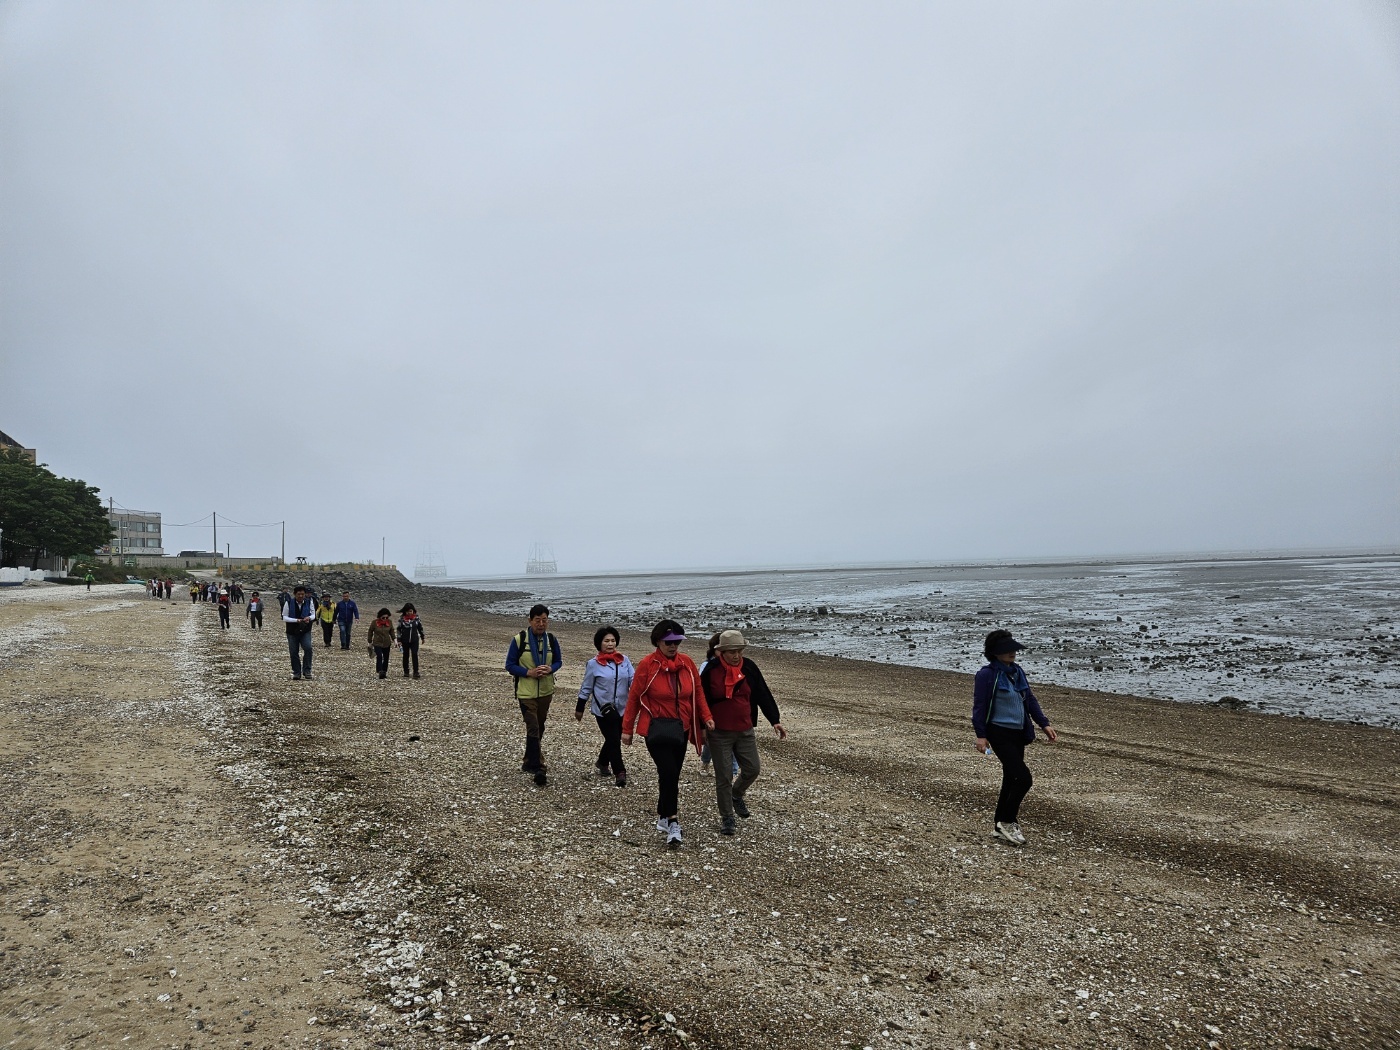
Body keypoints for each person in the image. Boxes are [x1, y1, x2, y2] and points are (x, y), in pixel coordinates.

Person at [621, 619, 714, 849]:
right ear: (658, 642)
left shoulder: (687, 663)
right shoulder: (647, 665)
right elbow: (634, 697)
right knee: (669, 771)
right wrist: (626, 729)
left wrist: (706, 716)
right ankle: (673, 823)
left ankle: (662, 814)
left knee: (670, 774)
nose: (673, 646)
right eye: (668, 642)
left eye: (676, 642)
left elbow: (698, 692)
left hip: (681, 728)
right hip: (656, 729)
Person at [972, 630, 1059, 847]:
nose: (1012, 652)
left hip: (1019, 733)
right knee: (1024, 778)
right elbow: (979, 707)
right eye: (1006, 649)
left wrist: (1044, 724)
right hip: (998, 734)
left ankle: (1000, 826)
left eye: (1013, 648)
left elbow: (1029, 699)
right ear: (994, 652)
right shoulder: (986, 675)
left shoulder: (1017, 671)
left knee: (1011, 778)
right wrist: (981, 736)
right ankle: (1007, 821)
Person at [698, 630, 786, 836]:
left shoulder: (749, 667)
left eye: (739, 650)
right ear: (721, 652)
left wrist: (775, 720)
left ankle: (736, 795)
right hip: (718, 732)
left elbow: (762, 693)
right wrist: (702, 727)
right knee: (724, 776)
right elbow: (700, 700)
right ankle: (727, 817)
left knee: (752, 769)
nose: (736, 655)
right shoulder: (711, 670)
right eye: (731, 651)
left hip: (745, 729)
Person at [505, 604, 562, 786]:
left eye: (544, 620)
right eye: (537, 620)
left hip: (546, 691)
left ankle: (528, 760)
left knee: (540, 726)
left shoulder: (551, 640)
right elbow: (509, 665)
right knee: (533, 727)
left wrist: (550, 668)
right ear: (530, 620)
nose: (541, 624)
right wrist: (528, 672)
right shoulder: (519, 640)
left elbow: (559, 661)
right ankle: (539, 767)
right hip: (526, 692)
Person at [575, 625, 634, 788]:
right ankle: (620, 772)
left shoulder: (625, 660)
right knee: (614, 739)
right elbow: (586, 687)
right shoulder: (593, 664)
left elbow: (633, 679)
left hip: (622, 707)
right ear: (599, 644)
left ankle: (602, 762)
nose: (610, 644)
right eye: (606, 641)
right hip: (603, 711)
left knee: (612, 738)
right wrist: (579, 707)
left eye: (613, 640)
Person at [282, 585, 317, 680]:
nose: (301, 596)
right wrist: (296, 620)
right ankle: (297, 672)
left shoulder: (310, 602)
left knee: (308, 648)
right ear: (294, 594)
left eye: (302, 594)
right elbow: (284, 617)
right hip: (292, 631)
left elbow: (314, 615)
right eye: (299, 594)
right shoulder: (288, 603)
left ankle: (307, 670)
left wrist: (309, 618)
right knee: (293, 652)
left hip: (305, 630)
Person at [397, 603, 425, 678]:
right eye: (407, 611)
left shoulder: (416, 618)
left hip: (414, 640)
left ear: (413, 611)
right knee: (405, 656)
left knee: (414, 654)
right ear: (405, 612)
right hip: (405, 640)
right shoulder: (402, 619)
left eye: (410, 611)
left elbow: (420, 628)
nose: (409, 613)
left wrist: (422, 637)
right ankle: (406, 671)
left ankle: (416, 672)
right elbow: (399, 630)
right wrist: (399, 640)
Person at [367, 607, 396, 679]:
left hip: (387, 643)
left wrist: (395, 640)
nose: (385, 619)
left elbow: (391, 631)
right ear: (380, 616)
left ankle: (384, 671)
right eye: (383, 617)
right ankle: (380, 671)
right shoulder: (374, 622)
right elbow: (370, 631)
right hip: (377, 643)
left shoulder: (389, 622)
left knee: (386, 658)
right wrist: (369, 641)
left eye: (387, 617)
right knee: (379, 656)